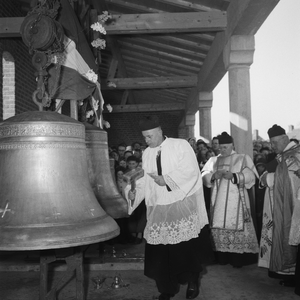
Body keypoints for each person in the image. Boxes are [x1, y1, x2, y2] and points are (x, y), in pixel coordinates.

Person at [125, 115, 209, 300]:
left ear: (160, 132)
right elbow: (145, 181)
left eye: (150, 136)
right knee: (160, 253)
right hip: (157, 209)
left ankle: (193, 279)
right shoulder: (147, 153)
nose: (146, 141)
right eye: (145, 137)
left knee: (184, 250)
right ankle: (166, 289)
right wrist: (133, 194)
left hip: (180, 205)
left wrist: (167, 179)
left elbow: (191, 171)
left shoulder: (180, 145)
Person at [202, 131, 259, 268]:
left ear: (232, 145)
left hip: (238, 202)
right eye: (221, 147)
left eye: (225, 147)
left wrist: (234, 176)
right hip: (219, 202)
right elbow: (203, 175)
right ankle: (221, 257)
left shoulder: (242, 158)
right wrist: (213, 176)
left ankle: (238, 259)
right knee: (218, 227)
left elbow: (252, 176)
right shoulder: (213, 160)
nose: (223, 150)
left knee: (238, 225)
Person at [259, 125, 300, 295]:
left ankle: (291, 274)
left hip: (291, 205)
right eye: (271, 143)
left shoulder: (295, 155)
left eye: (275, 142)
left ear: (285, 139)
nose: (273, 146)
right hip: (278, 203)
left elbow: (290, 178)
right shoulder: (284, 154)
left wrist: (267, 178)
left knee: (289, 234)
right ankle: (288, 273)